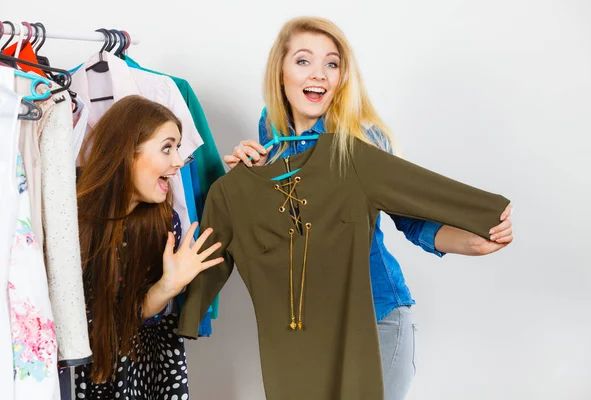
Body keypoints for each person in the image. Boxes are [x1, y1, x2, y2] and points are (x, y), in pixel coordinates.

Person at [223, 17, 513, 400]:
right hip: (310, 328)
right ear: (281, 71)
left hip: (375, 319)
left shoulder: (360, 138)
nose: (320, 74)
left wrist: (474, 241)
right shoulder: (269, 132)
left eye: (332, 63)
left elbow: (413, 222)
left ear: (343, 77)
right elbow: (282, 235)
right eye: (304, 61)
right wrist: (254, 181)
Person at [73, 95, 224, 399]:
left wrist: (168, 290)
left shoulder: (164, 223)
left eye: (178, 148)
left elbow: (140, 328)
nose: (179, 161)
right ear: (126, 151)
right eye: (167, 147)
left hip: (145, 379)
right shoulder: (70, 219)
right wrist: (163, 290)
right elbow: (81, 330)